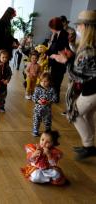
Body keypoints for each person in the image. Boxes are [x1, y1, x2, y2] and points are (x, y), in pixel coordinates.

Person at [51, 10, 96, 160]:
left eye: (80, 25)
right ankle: (89, 144)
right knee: (89, 114)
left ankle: (89, 146)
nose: (78, 28)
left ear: (85, 27)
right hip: (92, 89)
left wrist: (66, 61)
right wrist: (71, 51)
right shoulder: (90, 46)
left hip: (92, 90)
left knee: (74, 113)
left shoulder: (88, 50)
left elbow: (76, 75)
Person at [46, 17, 69, 103]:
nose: (50, 29)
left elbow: (63, 50)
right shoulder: (56, 34)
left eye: (51, 27)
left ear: (55, 27)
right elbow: (52, 47)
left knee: (57, 81)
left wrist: (54, 55)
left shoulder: (65, 35)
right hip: (54, 62)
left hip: (60, 63)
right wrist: (47, 52)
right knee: (53, 80)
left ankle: (56, 98)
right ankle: (53, 96)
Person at [32, 73, 57, 137]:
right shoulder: (37, 88)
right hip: (38, 109)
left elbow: (55, 98)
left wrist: (49, 102)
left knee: (48, 121)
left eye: (45, 81)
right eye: (41, 81)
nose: (43, 83)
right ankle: (35, 130)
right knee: (36, 120)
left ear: (49, 81)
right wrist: (38, 101)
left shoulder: (52, 89)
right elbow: (34, 97)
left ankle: (48, 131)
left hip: (47, 110)